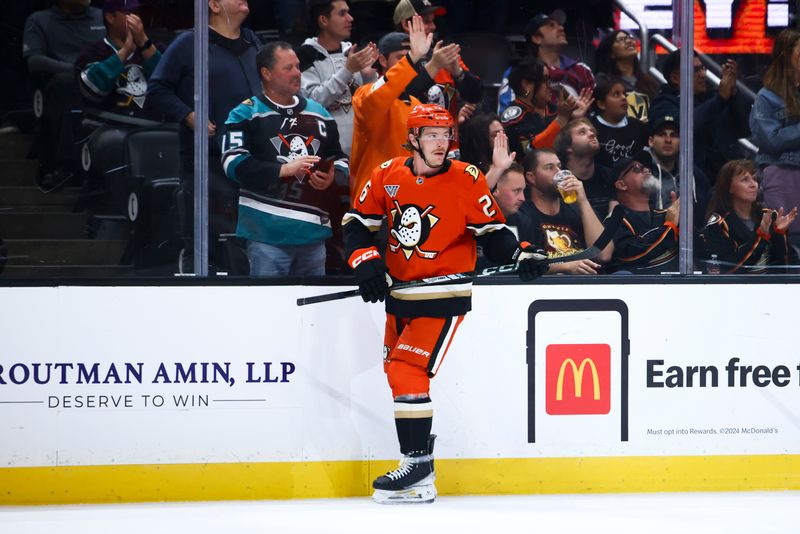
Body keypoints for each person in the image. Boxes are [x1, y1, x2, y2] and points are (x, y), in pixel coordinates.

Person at [343, 103, 548, 504]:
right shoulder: (387, 174)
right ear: (414, 139)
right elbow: (357, 223)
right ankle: (422, 468)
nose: (442, 143)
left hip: (442, 295)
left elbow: (492, 232)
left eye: (446, 135)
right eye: (432, 135)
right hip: (400, 294)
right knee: (398, 374)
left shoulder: (467, 178)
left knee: (406, 370)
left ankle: (417, 466)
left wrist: (521, 253)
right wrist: (366, 262)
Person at [146, 0, 262, 271]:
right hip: (208, 162)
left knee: (251, 242)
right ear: (213, 5)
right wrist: (189, 115)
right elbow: (157, 89)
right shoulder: (190, 42)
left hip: (252, 160)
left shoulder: (253, 42)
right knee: (208, 243)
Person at [221, 42, 347, 277]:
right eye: (288, 68)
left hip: (314, 233)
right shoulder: (245, 113)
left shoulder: (320, 113)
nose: (297, 73)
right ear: (266, 73)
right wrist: (283, 170)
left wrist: (333, 176)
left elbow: (340, 158)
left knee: (311, 311)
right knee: (268, 310)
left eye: (298, 67)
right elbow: (232, 164)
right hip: (266, 235)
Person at [349, 16, 459, 195]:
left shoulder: (416, 105)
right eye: (400, 58)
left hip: (408, 201)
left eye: (408, 59)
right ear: (382, 61)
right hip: (372, 200)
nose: (407, 63)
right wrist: (411, 57)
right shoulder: (364, 93)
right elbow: (380, 95)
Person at [23, 0, 106, 189]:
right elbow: (34, 61)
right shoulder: (39, 20)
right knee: (65, 84)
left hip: (104, 82)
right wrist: (77, 71)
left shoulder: (103, 17)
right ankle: (68, 166)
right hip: (66, 84)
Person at [651, 49, 750, 181]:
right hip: (693, 182)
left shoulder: (713, 98)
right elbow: (683, 126)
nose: (703, 75)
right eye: (695, 70)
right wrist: (720, 99)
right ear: (675, 77)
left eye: (703, 68)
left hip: (731, 178)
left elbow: (745, 129)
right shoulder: (663, 104)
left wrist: (733, 94)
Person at [511, 148, 612, 274]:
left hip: (583, 285)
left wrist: (583, 201)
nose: (558, 172)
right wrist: (565, 267)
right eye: (549, 167)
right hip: (543, 289)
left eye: (559, 166)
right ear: (531, 178)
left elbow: (604, 255)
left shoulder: (579, 209)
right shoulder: (521, 214)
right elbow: (519, 263)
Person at [298, 0, 379, 156]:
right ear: (323, 20)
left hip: (364, 150)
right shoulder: (306, 55)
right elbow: (313, 103)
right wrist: (348, 70)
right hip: (329, 155)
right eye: (342, 13)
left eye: (348, 12)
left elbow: (372, 105)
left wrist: (369, 78)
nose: (350, 18)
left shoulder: (353, 52)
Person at [393, 0, 482, 132]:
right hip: (406, 136)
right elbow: (402, 98)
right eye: (426, 21)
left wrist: (458, 73)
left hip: (446, 138)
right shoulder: (393, 56)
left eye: (433, 21)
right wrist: (434, 65)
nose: (434, 27)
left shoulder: (443, 52)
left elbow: (476, 95)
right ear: (406, 24)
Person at [749, 28, 800, 256]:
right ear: (787, 55)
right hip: (784, 172)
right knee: (789, 238)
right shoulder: (766, 97)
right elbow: (771, 139)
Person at [700, 159, 797, 274]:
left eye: (754, 179)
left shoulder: (769, 216)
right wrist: (761, 236)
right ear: (728, 187)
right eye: (745, 180)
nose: (753, 184)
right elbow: (731, 269)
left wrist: (779, 234)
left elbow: (785, 266)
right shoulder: (718, 224)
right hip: (737, 289)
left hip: (771, 288)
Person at [497, 9, 594, 115]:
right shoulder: (519, 72)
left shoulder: (581, 69)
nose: (561, 28)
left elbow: (597, 110)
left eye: (560, 25)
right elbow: (508, 113)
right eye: (551, 25)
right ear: (537, 38)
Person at [76, 0, 161, 119]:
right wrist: (125, 51)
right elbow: (92, 86)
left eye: (138, 13)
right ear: (110, 17)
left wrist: (144, 44)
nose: (136, 19)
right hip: (112, 127)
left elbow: (171, 82)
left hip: (153, 127)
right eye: (129, 13)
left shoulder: (151, 48)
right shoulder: (93, 52)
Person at [501, 57, 592, 162]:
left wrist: (575, 119)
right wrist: (562, 119)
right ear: (526, 85)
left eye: (550, 80)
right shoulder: (513, 116)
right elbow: (530, 151)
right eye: (544, 80)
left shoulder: (554, 109)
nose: (550, 86)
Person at [608, 151, 679, 274]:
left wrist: (685, 221)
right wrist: (670, 227)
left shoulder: (666, 214)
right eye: (637, 168)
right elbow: (632, 254)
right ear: (621, 184)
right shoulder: (615, 221)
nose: (646, 170)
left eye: (647, 167)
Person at [640, 111, 711, 230]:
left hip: (690, 241)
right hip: (653, 242)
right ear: (651, 141)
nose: (668, 140)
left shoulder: (694, 175)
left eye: (674, 135)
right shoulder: (640, 173)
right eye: (662, 134)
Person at [553, 117, 613, 217]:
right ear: (568, 148)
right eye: (582, 132)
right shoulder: (559, 181)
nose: (592, 134)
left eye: (592, 131)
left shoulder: (610, 176)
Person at [593, 30, 658, 122]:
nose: (629, 41)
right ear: (611, 54)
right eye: (621, 39)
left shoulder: (650, 83)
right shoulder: (604, 80)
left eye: (630, 37)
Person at [590, 76, 648, 169]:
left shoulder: (638, 127)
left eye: (624, 94)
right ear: (601, 104)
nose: (624, 98)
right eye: (616, 94)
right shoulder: (590, 127)